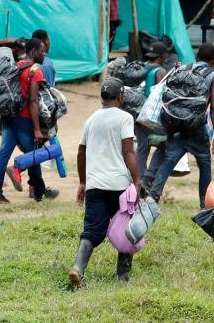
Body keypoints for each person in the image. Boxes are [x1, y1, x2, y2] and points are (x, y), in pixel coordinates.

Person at [68, 77, 141, 289]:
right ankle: (123, 277)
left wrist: (83, 182)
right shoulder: (125, 118)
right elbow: (128, 150)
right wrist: (136, 180)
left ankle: (78, 268)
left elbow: (81, 151)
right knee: (126, 228)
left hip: (95, 185)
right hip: (119, 185)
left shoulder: (91, 120)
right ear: (120, 97)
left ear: (102, 98)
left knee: (91, 230)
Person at [148, 42, 214, 209]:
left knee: (168, 161)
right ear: (212, 59)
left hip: (175, 124)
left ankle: (153, 196)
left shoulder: (182, 68)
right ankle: (204, 202)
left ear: (197, 56)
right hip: (196, 128)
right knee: (204, 164)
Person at [0, 38, 57, 204]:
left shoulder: (16, 66)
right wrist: (36, 129)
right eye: (41, 51)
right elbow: (33, 102)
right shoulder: (35, 71)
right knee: (33, 155)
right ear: (33, 51)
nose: (44, 54)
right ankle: (39, 191)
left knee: (4, 153)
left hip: (8, 116)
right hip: (24, 119)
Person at [136, 42, 169, 190]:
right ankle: (148, 177)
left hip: (137, 113)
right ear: (163, 56)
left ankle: (139, 180)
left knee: (142, 149)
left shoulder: (142, 67)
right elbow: (163, 96)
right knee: (164, 145)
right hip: (152, 117)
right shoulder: (160, 71)